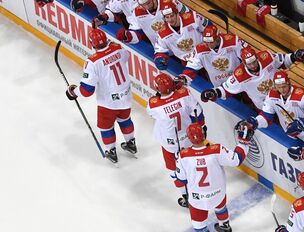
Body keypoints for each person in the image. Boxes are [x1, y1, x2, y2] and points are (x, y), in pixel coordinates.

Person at [175, 122, 254, 232]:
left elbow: (181, 179)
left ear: (189, 138)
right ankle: (224, 225)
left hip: (198, 199)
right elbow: (236, 159)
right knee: (220, 206)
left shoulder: (183, 156)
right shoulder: (216, 149)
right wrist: (243, 143)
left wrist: (178, 161)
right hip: (218, 193)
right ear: (203, 134)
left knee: (200, 226)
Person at [66, 28, 137, 164]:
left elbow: (87, 90)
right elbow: (126, 56)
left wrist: (73, 93)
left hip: (108, 103)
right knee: (125, 119)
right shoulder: (118, 48)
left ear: (92, 44)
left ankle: (111, 151)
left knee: (106, 127)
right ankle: (131, 143)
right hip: (126, 96)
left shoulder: (93, 62)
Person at [147, 73, 204, 207]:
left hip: (170, 144)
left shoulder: (153, 104)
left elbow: (151, 112)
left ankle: (185, 195)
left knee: (174, 170)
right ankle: (198, 190)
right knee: (193, 165)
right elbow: (198, 111)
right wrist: (201, 126)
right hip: (189, 138)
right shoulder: (184, 94)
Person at [199, 46, 304, 110]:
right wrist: (212, 93)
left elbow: (283, 60)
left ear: (256, 57)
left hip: (282, 97)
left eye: (254, 61)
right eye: (249, 63)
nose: (253, 65)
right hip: (264, 107)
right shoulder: (239, 75)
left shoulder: (266, 57)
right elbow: (225, 89)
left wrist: (296, 56)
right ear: (243, 62)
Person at [249, 71, 304, 145]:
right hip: (290, 135)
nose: (282, 90)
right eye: (279, 87)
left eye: (284, 86)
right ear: (275, 86)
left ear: (289, 82)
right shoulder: (271, 96)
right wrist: (256, 122)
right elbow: (267, 117)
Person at [181, 25, 248, 87]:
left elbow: (247, 56)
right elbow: (191, 66)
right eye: (206, 41)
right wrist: (184, 77)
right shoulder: (200, 49)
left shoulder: (233, 41)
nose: (208, 44)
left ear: (218, 37)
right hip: (220, 85)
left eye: (211, 41)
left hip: (239, 80)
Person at [153, 1, 209, 71]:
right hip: (188, 63)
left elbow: (208, 28)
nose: (170, 19)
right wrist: (160, 58)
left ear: (177, 13)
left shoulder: (193, 18)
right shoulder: (162, 33)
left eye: (172, 15)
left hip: (205, 56)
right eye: (167, 17)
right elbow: (160, 50)